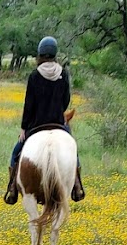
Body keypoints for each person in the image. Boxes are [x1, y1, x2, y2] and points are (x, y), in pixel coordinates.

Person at [9, 36, 85, 202]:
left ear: (40, 54)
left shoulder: (35, 76)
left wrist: (24, 127)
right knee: (74, 151)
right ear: (55, 54)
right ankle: (77, 186)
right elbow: (66, 100)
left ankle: (12, 189)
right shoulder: (63, 74)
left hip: (36, 125)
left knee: (16, 152)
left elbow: (29, 104)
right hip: (58, 123)